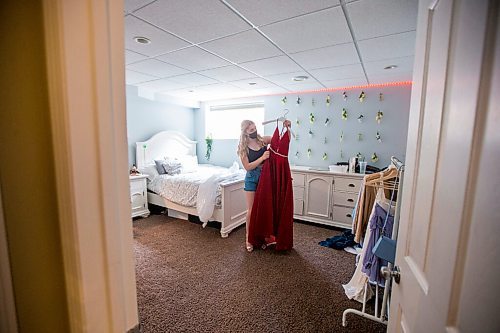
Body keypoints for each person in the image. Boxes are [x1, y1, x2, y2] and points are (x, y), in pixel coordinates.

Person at [237, 119, 291, 252]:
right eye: (251, 130)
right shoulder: (243, 148)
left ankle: (261, 237)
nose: (254, 131)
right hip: (251, 178)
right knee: (251, 210)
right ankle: (248, 238)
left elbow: (282, 140)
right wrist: (262, 158)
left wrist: (287, 128)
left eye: (254, 128)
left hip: (265, 177)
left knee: (263, 209)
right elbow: (247, 167)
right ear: (245, 132)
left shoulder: (263, 140)